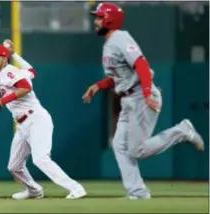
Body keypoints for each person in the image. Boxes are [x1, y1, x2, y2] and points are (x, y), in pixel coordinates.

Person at [82, 2, 204, 199]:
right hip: (128, 99)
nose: (96, 21)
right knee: (120, 146)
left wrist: (147, 93)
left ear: (110, 19)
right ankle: (138, 192)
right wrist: (97, 86)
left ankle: (182, 131)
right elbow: (119, 77)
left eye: (99, 17)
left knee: (137, 150)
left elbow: (142, 64)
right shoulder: (110, 43)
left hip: (140, 95)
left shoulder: (120, 38)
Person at [0, 40, 87, 200]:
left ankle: (76, 188)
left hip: (36, 119)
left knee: (40, 159)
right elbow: (31, 71)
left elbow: (26, 88)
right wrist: (15, 54)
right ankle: (34, 191)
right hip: (23, 124)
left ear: (4, 58)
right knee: (14, 166)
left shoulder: (8, 72)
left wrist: (0, 102)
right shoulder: (11, 72)